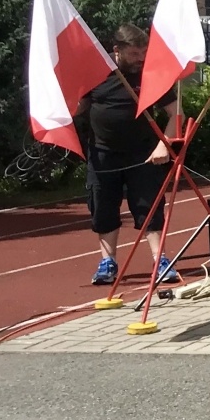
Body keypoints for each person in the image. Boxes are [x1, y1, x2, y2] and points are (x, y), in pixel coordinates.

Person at [74, 25, 180, 286]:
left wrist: (163, 145)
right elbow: (78, 108)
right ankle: (108, 262)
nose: (140, 59)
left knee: (150, 207)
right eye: (134, 54)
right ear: (117, 51)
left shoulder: (150, 75)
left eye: (143, 52)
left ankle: (160, 260)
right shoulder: (97, 74)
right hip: (103, 155)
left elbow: (176, 113)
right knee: (103, 208)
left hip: (143, 155)